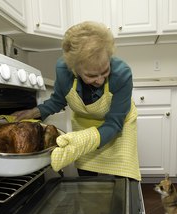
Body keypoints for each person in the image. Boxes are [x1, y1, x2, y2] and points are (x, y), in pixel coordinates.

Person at [12, 21, 141, 181]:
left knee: (124, 179)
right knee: (87, 179)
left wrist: (85, 141)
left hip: (118, 127)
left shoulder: (122, 74)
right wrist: (33, 112)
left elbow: (114, 123)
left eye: (105, 71)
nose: (100, 80)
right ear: (74, 68)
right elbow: (58, 101)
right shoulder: (63, 70)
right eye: (91, 75)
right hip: (85, 124)